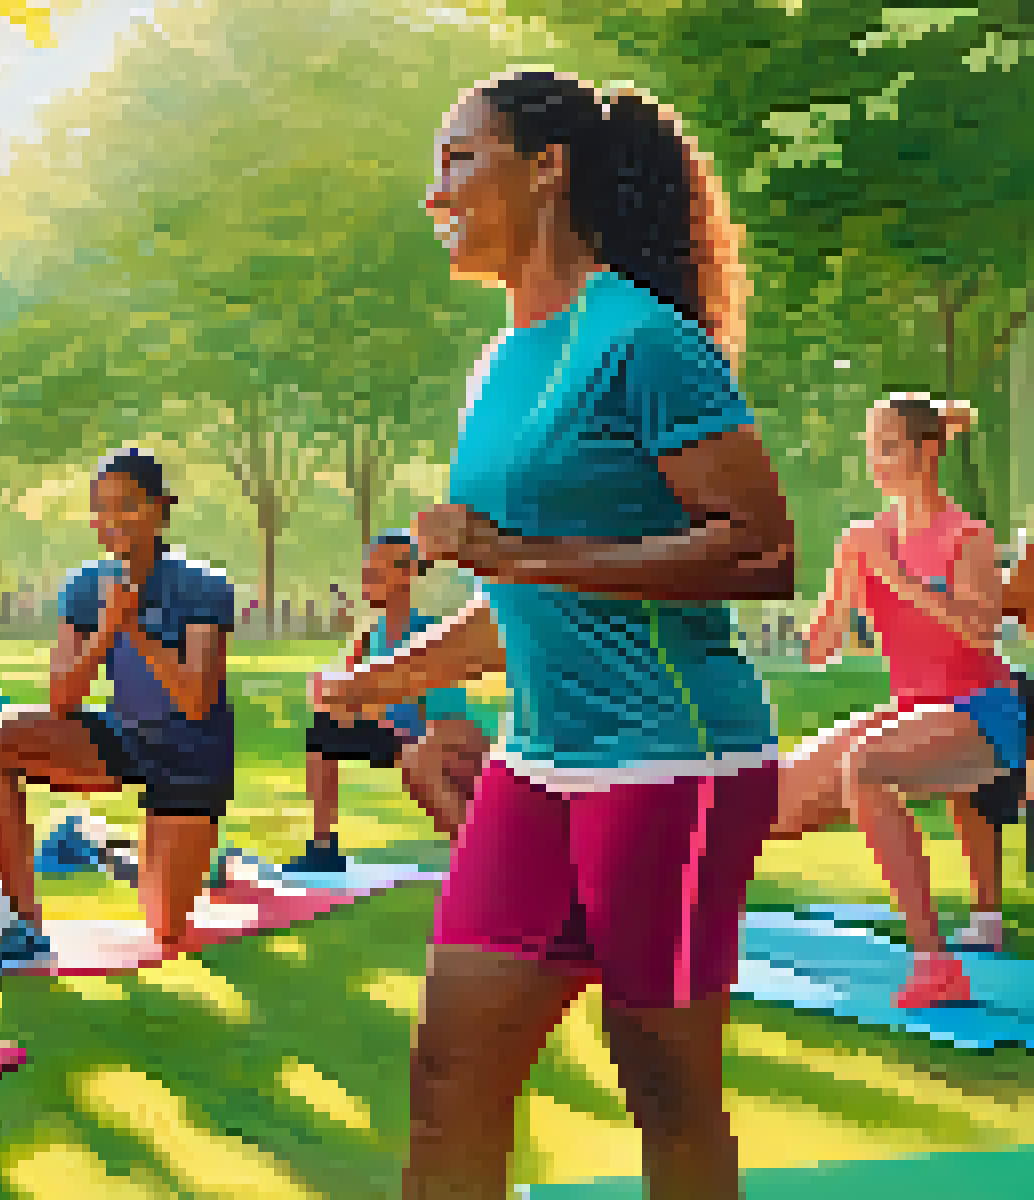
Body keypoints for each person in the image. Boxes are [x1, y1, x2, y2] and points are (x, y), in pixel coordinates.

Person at [311, 71, 792, 1199]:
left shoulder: (646, 342)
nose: (436, 194)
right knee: (449, 1080)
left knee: (665, 1090)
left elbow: (763, 551)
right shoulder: (500, 362)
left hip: (674, 766)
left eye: (461, 159)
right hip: (541, 768)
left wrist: (513, 554)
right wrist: (388, 679)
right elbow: (521, 606)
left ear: (548, 168)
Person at [768, 395, 1021, 982]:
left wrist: (897, 578)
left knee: (865, 764)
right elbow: (822, 645)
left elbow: (982, 630)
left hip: (981, 712)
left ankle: (933, 963)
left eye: (888, 446)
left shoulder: (969, 537)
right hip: (912, 712)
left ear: (927, 451)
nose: (875, 460)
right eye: (871, 447)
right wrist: (800, 631)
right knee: (769, 800)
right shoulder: (861, 541)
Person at [0, 448, 237, 977]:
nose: (113, 522)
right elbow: (62, 701)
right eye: (102, 509)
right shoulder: (86, 588)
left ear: (161, 509)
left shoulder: (203, 587)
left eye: (128, 506)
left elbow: (197, 700)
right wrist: (106, 630)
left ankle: (105, 847)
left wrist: (134, 627)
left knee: (165, 930)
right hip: (120, 738)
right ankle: (25, 926)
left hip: (190, 758)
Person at [292, 530, 490, 871]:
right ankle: (323, 848)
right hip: (398, 734)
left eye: (376, 574)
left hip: (446, 736)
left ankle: (482, 863)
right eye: (367, 573)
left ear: (406, 575)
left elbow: (447, 718)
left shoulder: (429, 635)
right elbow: (345, 696)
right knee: (322, 731)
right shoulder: (369, 637)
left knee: (420, 760)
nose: (367, 581)